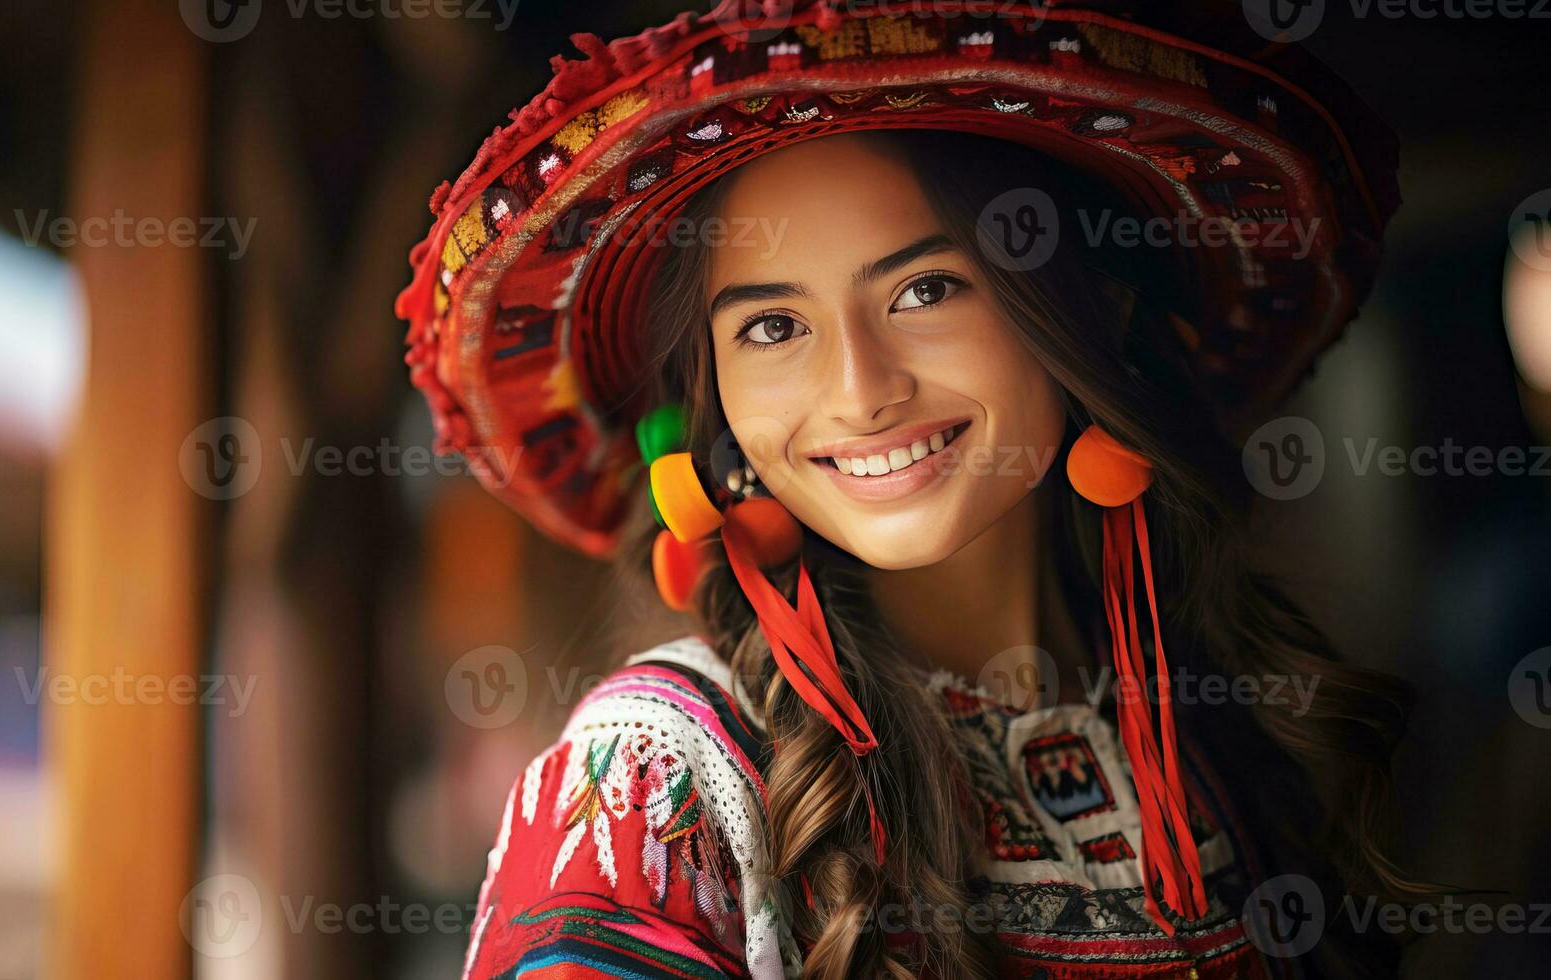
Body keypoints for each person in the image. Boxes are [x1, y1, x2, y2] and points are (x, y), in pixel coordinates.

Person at [397, 3, 1418, 976]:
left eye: (925, 289)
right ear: (708, 395)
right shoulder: (656, 788)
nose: (860, 392)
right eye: (773, 326)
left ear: (1087, 308)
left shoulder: (1235, 726)